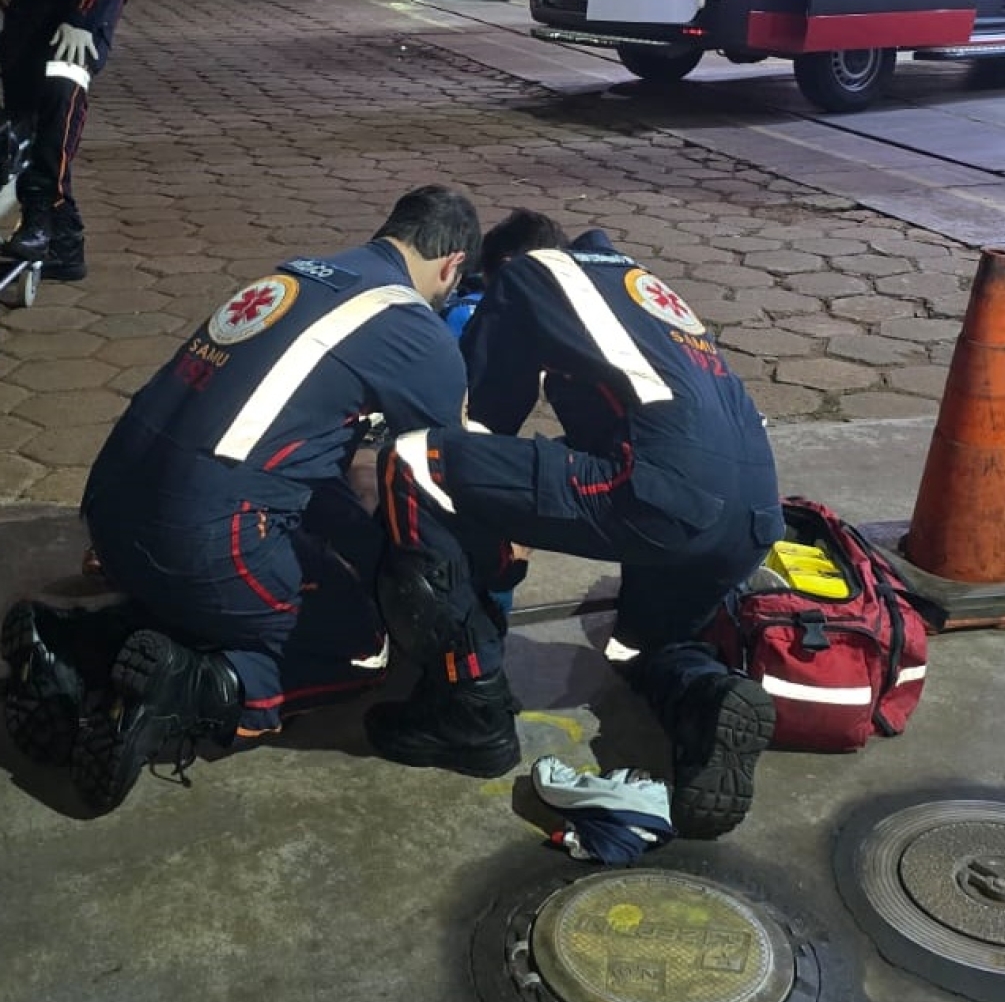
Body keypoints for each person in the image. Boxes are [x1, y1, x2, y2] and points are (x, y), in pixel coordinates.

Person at [1, 184, 481, 812]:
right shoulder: (415, 328)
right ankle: (193, 690)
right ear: (452, 266)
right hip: (199, 539)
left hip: (110, 510)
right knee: (361, 647)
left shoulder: (303, 274)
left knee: (239, 574)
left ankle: (80, 645)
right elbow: (450, 472)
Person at [365, 208, 785, 839]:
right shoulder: (638, 288)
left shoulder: (528, 274)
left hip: (662, 493)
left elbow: (478, 420)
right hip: (753, 515)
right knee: (645, 648)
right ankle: (706, 699)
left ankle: (465, 705)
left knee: (414, 460)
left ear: (500, 266)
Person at [0, 0, 126, 281]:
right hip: (23, 7)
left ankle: (41, 218)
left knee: (59, 98)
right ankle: (63, 243)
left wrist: (83, 19)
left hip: (82, 11)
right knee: (21, 115)